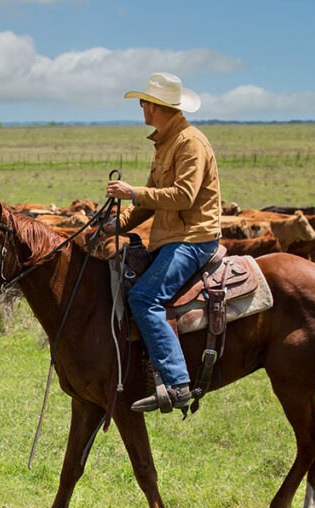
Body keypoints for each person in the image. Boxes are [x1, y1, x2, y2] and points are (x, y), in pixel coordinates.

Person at [102, 72, 222, 413]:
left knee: (145, 297)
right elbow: (152, 203)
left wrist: (132, 192)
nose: (141, 108)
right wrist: (116, 223)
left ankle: (177, 382)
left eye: (144, 102)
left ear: (156, 106)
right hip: (171, 238)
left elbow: (183, 196)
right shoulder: (166, 143)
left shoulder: (190, 142)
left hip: (194, 238)